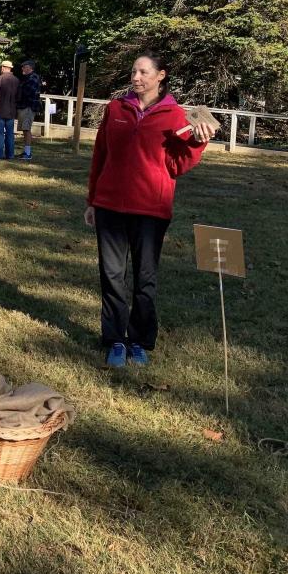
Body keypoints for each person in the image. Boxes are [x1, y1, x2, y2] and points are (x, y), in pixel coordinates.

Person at [85, 52, 215, 368]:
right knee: (112, 276)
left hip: (150, 210)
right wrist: (92, 200)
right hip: (110, 206)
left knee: (145, 279)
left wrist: (197, 144)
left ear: (160, 76)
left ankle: (140, 340)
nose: (136, 77)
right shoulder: (115, 109)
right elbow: (100, 155)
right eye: (133, 72)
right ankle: (115, 339)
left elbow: (176, 165)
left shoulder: (175, 117)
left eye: (143, 72)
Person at [0, 60, 20, 160]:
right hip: (11, 112)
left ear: (4, 68)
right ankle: (10, 155)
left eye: (2, 67)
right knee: (10, 134)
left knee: (0, 133)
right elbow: (19, 97)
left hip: (0, 111)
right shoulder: (16, 81)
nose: (1, 69)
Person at [17, 60, 42, 162]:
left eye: (24, 67)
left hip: (29, 107)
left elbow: (26, 92)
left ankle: (28, 153)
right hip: (25, 106)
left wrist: (17, 93)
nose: (22, 69)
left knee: (27, 129)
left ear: (30, 68)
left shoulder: (33, 78)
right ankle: (26, 151)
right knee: (24, 129)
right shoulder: (28, 78)